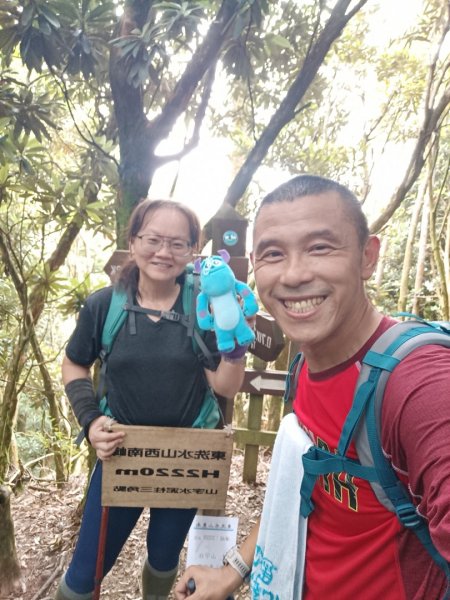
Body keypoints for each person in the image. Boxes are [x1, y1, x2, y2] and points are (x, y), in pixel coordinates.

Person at [175, 174, 450, 599]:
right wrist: (233, 570)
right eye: (273, 253)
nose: (294, 274)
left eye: (320, 247)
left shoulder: (418, 384)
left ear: (367, 256)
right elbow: (301, 490)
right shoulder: (307, 363)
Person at [55, 198, 248, 600]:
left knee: (163, 557)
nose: (164, 252)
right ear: (134, 240)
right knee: (86, 571)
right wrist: (91, 422)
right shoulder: (104, 305)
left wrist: (234, 342)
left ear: (194, 250)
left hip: (186, 458)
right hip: (121, 455)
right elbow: (74, 364)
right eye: (154, 239)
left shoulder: (204, 306)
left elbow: (225, 386)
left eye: (178, 244)